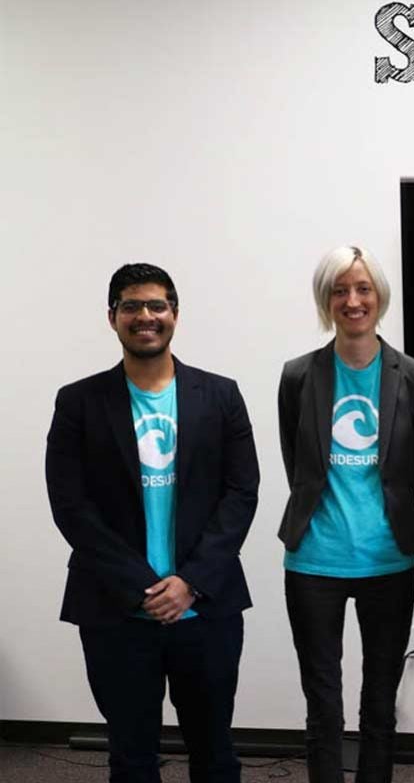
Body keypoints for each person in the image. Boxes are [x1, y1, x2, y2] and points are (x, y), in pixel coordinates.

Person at [46, 263, 259, 782]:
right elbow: (70, 505)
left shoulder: (221, 395)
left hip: (205, 610)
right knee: (132, 757)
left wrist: (189, 583)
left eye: (156, 305)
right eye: (131, 306)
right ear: (112, 317)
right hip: (116, 613)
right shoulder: (78, 402)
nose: (145, 316)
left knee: (214, 754)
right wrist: (143, 586)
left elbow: (241, 493)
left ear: (175, 315)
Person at [277, 245, 414, 783]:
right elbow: (298, 465)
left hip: (388, 559)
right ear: (327, 299)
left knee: (380, 703)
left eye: (362, 288)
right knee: (322, 702)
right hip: (313, 561)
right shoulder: (298, 375)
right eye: (340, 289)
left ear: (379, 296)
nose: (352, 300)